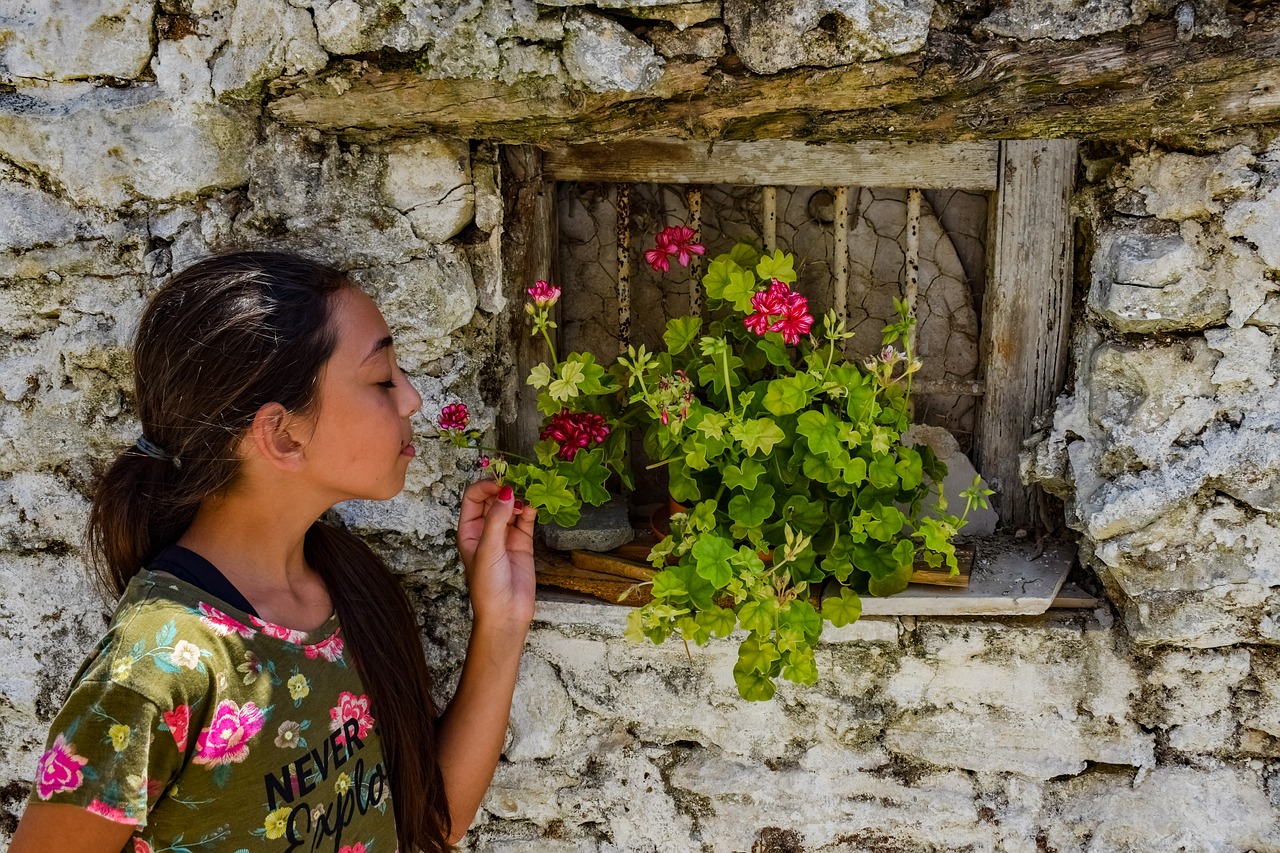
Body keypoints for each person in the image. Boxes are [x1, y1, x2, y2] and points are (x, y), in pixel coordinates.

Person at [9, 251, 535, 853]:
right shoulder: (156, 673)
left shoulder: (350, 590)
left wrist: (502, 620)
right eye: (383, 378)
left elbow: (429, 822)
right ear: (283, 434)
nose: (412, 399)